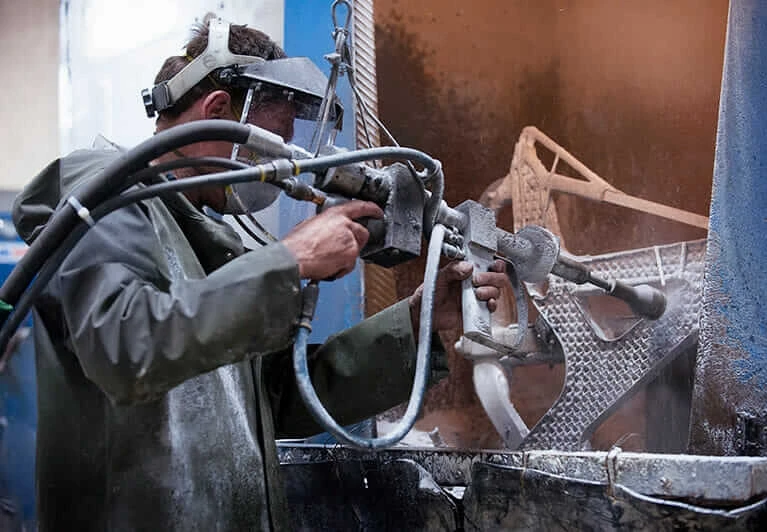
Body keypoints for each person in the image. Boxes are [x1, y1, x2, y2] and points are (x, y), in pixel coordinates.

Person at [12, 19, 507, 532]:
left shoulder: (202, 234)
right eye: (269, 149)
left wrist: (419, 322)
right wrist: (289, 261)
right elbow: (125, 344)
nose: (282, 170)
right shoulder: (107, 194)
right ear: (217, 112)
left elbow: (274, 396)